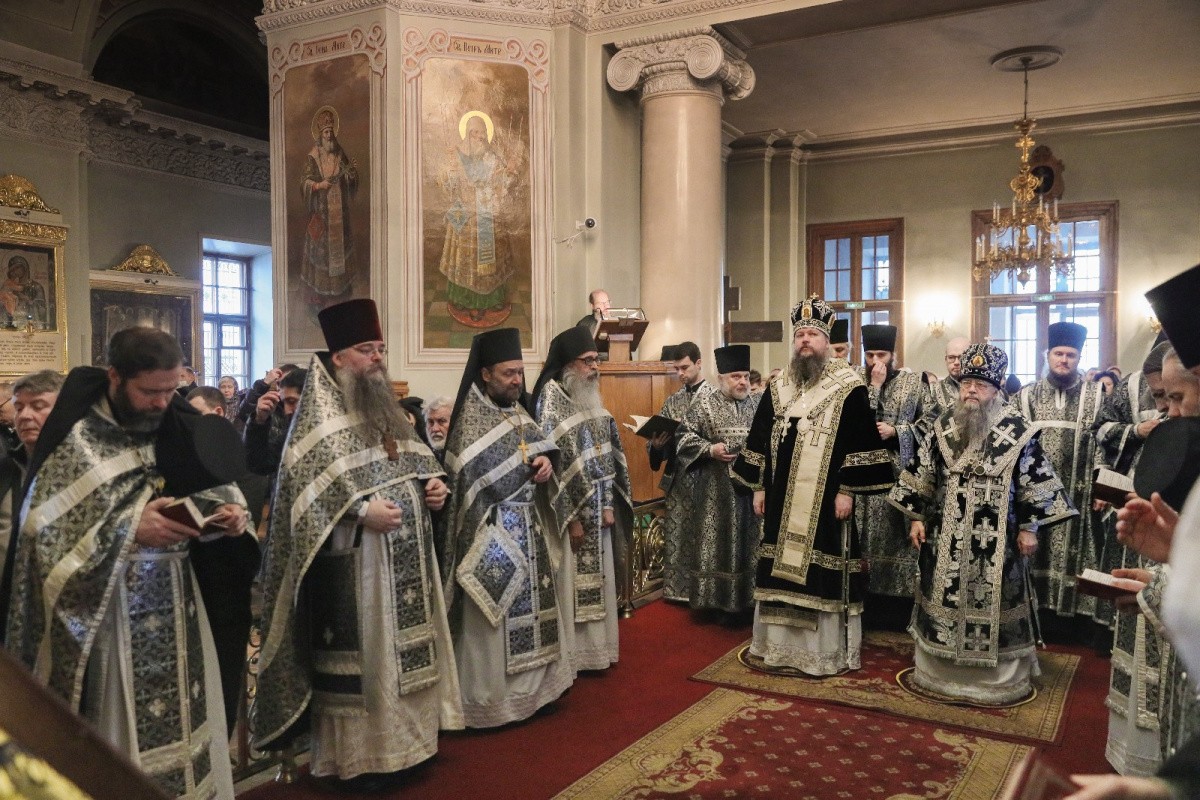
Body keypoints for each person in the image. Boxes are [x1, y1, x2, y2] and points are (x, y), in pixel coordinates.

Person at [5, 326, 248, 799]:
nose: (162, 402)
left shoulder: (171, 415)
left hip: (182, 606)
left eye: (171, 389)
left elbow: (215, 482)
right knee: (125, 733)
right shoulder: (77, 437)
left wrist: (231, 514)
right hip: (112, 616)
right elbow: (41, 532)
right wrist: (130, 529)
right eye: (150, 391)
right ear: (115, 377)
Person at [252, 299, 462, 786]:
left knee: (404, 656)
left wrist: (434, 487)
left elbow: (417, 466)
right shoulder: (317, 421)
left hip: (407, 564)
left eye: (380, 349)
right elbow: (300, 499)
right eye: (367, 349)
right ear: (339, 357)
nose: (378, 359)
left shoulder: (388, 413)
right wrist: (362, 512)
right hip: (358, 568)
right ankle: (366, 760)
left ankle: (414, 746)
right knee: (371, 662)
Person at [888, 342, 1074, 704]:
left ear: (997, 387)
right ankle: (940, 672)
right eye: (966, 383)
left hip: (999, 539)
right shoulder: (943, 424)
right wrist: (915, 518)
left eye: (981, 384)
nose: (971, 390)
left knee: (998, 598)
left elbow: (1035, 481)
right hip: (945, 536)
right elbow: (924, 472)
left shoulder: (1018, 429)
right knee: (942, 594)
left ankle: (996, 680)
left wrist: (1029, 528)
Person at [732, 296, 892, 675]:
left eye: (813, 335)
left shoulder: (848, 385)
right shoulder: (779, 385)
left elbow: (859, 441)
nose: (805, 340)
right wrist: (758, 486)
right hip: (780, 498)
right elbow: (759, 437)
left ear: (826, 341)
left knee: (821, 571)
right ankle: (778, 648)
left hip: (826, 500)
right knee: (777, 567)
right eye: (800, 334)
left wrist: (847, 490)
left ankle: (821, 654)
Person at [439, 327, 572, 727]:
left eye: (519, 372)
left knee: (535, 613)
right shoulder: (469, 422)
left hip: (529, 530)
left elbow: (544, 453)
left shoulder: (519, 412)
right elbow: (466, 484)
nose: (517, 381)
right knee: (491, 621)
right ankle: (492, 702)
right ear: (485, 374)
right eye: (508, 373)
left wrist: (546, 464)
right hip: (489, 536)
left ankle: (535, 694)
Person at [531, 326, 632, 671]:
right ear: (567, 364)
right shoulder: (550, 403)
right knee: (572, 585)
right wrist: (573, 518)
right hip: (572, 518)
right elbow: (556, 473)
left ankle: (599, 651)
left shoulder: (591, 399)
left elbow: (605, 457)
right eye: (587, 361)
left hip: (599, 509)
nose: (595, 367)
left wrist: (608, 505)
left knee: (600, 581)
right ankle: (575, 658)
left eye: (595, 359)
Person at [1093, 342, 1172, 775]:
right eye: (1160, 397)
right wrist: (1136, 433)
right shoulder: (1128, 388)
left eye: (1174, 397)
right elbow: (1102, 429)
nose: (1165, 409)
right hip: (1141, 519)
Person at [1013, 321, 1105, 625]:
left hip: (1080, 494)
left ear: (1079, 357)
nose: (1064, 360)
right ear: (1047, 355)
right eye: (1058, 354)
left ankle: (1072, 623)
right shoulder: (1026, 396)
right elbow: (1014, 446)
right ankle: (1038, 619)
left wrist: (1100, 484)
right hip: (1035, 496)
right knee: (1034, 554)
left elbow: (1104, 441)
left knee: (1077, 558)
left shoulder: (1096, 395)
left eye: (1070, 355)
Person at [675, 344, 761, 614]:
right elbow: (683, 437)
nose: (743, 382)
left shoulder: (758, 404)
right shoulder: (704, 403)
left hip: (750, 492)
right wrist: (710, 449)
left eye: (745, 376)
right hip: (715, 491)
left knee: (748, 543)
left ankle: (747, 602)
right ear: (722, 378)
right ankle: (713, 603)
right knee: (716, 544)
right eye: (736, 377)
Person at [856, 324, 926, 621]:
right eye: (870, 355)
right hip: (862, 475)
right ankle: (865, 607)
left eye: (881, 355)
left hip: (899, 474)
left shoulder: (914, 382)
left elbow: (929, 425)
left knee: (897, 541)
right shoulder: (855, 381)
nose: (876, 362)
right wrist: (874, 387)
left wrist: (897, 431)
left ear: (893, 354)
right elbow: (853, 423)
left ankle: (896, 611)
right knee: (864, 541)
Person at [437, 112, 516, 327]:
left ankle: (491, 300)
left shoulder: (492, 156)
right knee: (468, 257)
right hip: (465, 212)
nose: (479, 137)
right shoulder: (456, 155)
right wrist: (451, 173)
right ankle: (467, 300)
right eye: (474, 132)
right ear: (467, 133)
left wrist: (508, 172)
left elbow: (502, 181)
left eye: (482, 133)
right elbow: (447, 185)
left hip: (487, 210)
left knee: (490, 258)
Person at [0, 370, 62, 636]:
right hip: (7, 609)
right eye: (19, 407)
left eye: (38, 406)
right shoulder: (6, 468)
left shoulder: (82, 471)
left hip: (60, 611)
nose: (25, 416)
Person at [648, 341, 709, 602]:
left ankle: (704, 591)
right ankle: (678, 590)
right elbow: (658, 441)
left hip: (706, 477)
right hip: (679, 479)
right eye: (676, 369)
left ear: (698, 363)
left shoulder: (714, 398)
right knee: (679, 533)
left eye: (684, 367)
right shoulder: (672, 400)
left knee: (704, 536)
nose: (680, 373)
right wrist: (656, 446)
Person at [302, 105, 359, 299]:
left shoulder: (339, 152)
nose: (329, 135)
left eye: (331, 131)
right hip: (321, 210)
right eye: (326, 132)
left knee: (339, 248)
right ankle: (321, 291)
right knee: (322, 250)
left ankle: (340, 288)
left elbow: (349, 175)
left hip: (338, 211)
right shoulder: (313, 156)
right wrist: (319, 185)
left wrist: (350, 174)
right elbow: (304, 182)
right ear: (320, 134)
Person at [244, 367, 307, 478]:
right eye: (284, 402)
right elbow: (260, 465)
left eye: (292, 401)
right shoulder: (292, 430)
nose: (286, 411)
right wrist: (259, 421)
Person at [0, 254, 49, 330]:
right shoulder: (10, 286)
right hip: (13, 323)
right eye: (13, 269)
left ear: (25, 267)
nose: (15, 271)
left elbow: (41, 309)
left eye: (17, 267)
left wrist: (28, 301)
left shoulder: (36, 287)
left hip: (30, 325)